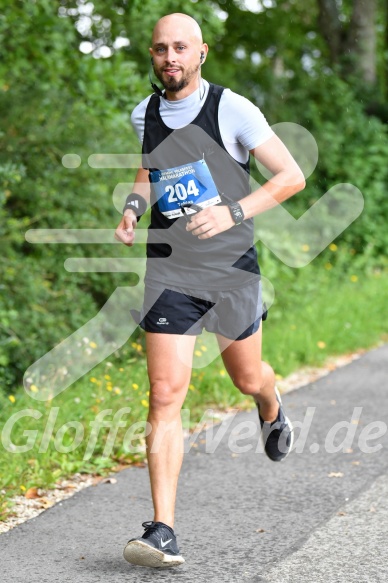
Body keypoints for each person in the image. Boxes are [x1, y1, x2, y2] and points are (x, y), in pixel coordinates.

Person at [115, 12, 306, 568]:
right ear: (152, 56)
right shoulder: (144, 113)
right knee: (165, 392)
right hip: (170, 272)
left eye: (180, 48)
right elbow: (149, 173)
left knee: (248, 376)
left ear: (202, 53)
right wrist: (132, 210)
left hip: (230, 270)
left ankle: (270, 407)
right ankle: (162, 530)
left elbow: (291, 176)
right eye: (159, 49)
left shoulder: (233, 109)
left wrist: (234, 212)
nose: (169, 57)